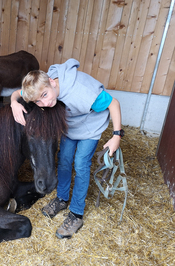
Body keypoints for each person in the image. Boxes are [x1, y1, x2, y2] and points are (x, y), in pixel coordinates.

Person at [10, 58, 123, 239]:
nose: (44, 103)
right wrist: (13, 103)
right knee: (63, 160)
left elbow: (113, 103)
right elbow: (17, 93)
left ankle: (76, 214)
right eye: (38, 101)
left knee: (80, 164)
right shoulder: (41, 86)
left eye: (45, 95)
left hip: (89, 128)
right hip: (70, 125)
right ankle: (61, 199)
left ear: (52, 83)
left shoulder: (83, 92)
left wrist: (117, 135)